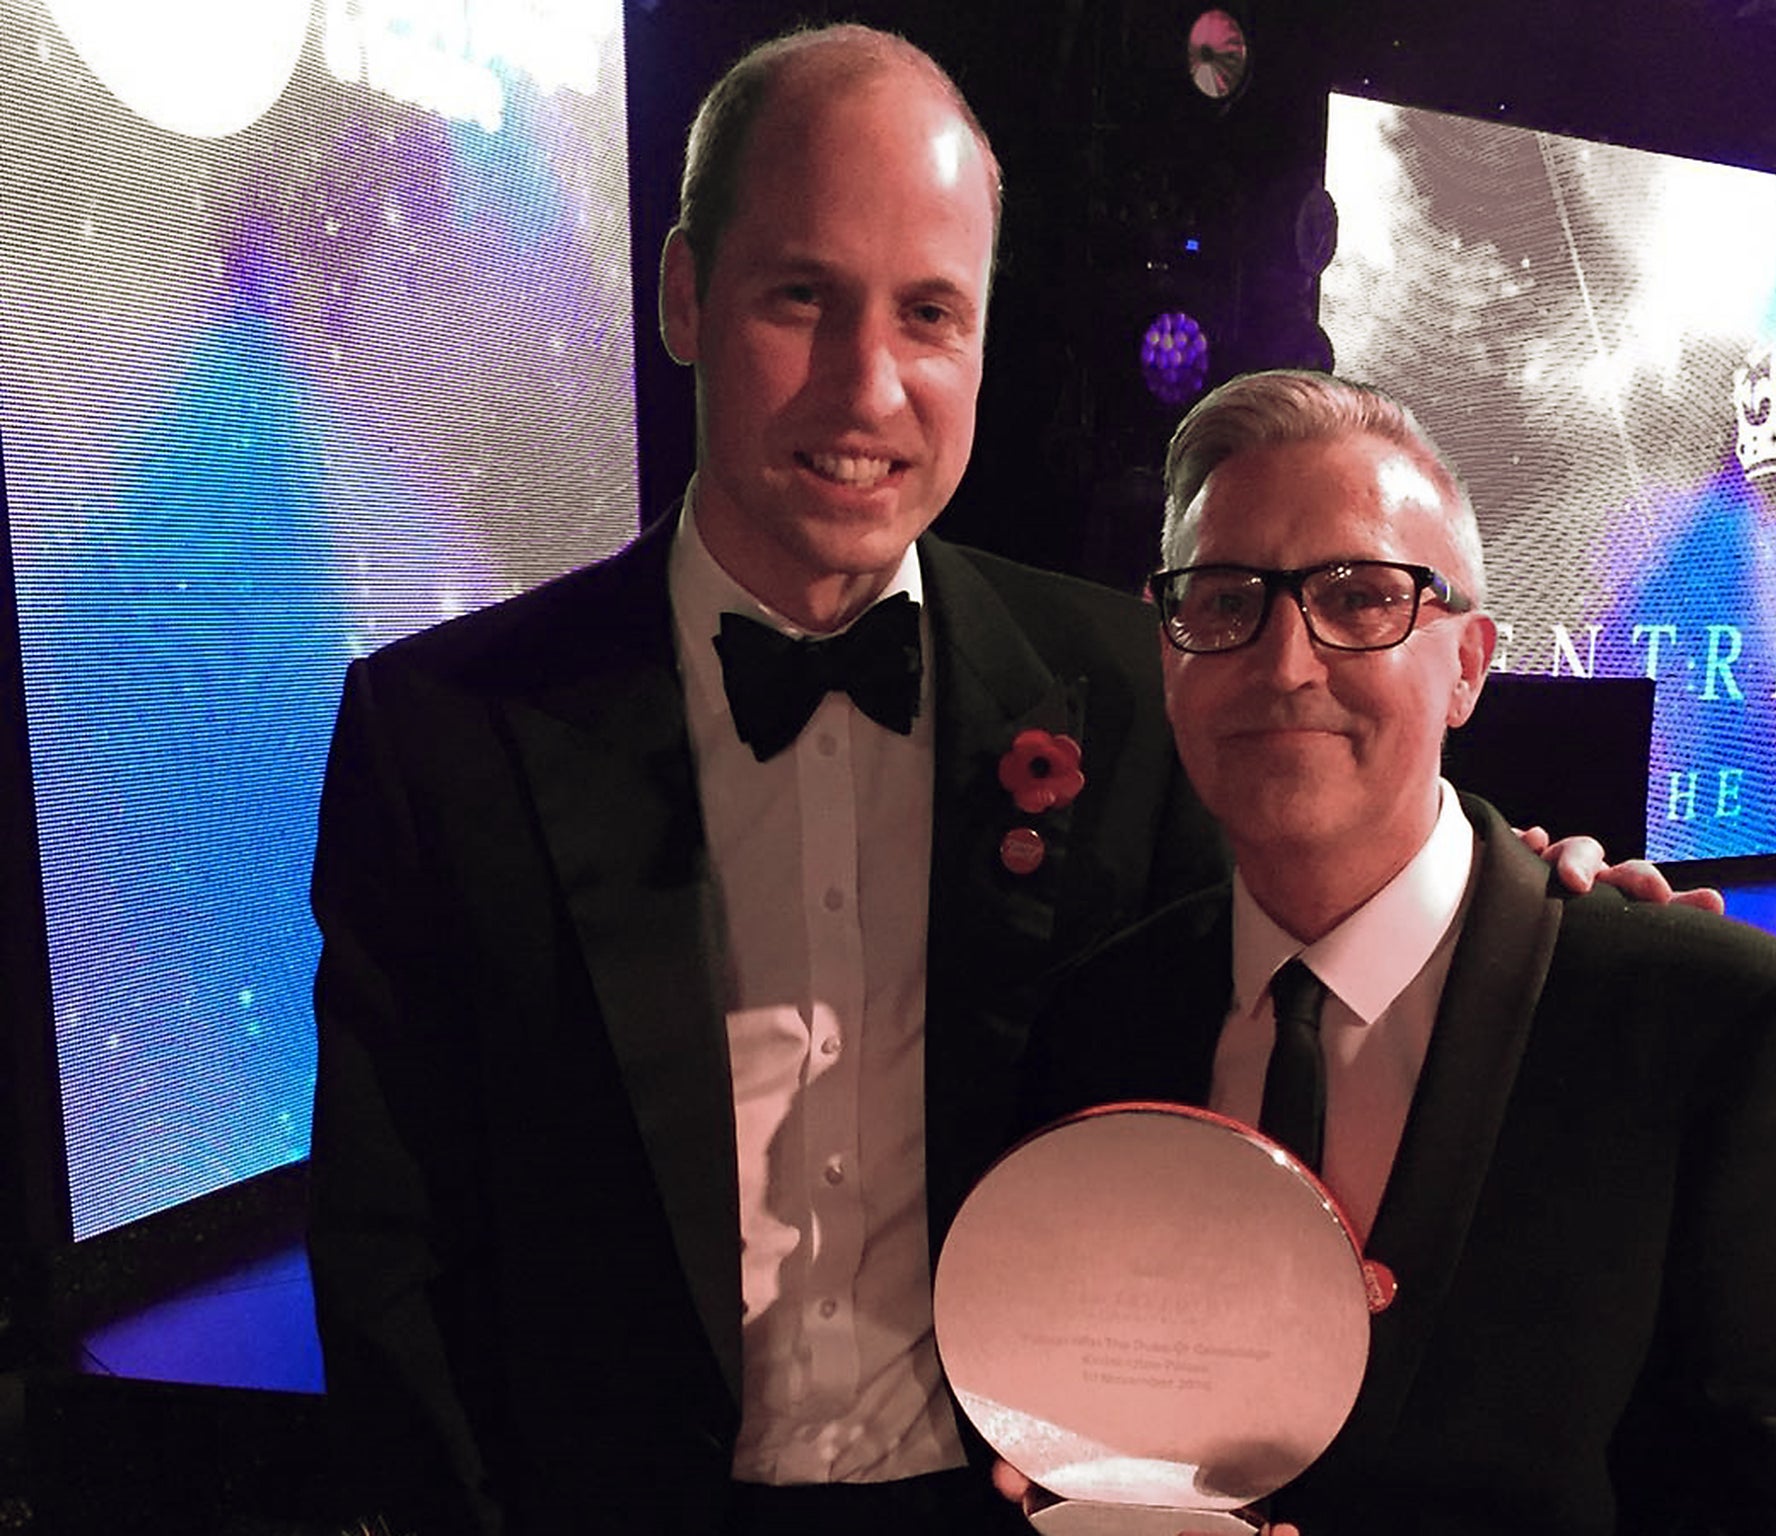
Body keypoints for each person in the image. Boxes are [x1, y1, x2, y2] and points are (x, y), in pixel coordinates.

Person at [306, 27, 1696, 1536]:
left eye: (928, 315)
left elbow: (1317, 925)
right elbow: (391, 1256)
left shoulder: (1130, 677)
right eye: (800, 297)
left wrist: (1546, 913)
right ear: (685, 295)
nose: (868, 385)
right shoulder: (444, 729)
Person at [1006, 369, 1776, 1534]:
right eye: (1223, 601)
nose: (1281, 662)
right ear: (1167, 655)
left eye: (1360, 597)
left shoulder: (1730, 1030)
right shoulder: (1098, 1023)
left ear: (1467, 664)